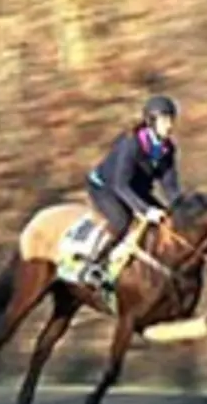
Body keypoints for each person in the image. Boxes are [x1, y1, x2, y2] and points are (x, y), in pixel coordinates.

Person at [80, 94, 189, 290]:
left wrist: (183, 208)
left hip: (134, 188)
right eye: (165, 120)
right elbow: (120, 185)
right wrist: (145, 210)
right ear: (151, 121)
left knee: (166, 220)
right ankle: (94, 264)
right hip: (105, 187)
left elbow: (170, 186)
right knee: (122, 221)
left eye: (172, 119)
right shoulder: (132, 144)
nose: (170, 125)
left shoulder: (167, 149)